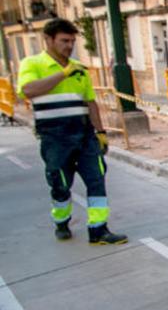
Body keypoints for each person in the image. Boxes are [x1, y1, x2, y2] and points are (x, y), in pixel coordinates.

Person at [17, 18, 127, 245]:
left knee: (96, 180)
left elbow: (90, 103)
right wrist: (64, 73)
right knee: (60, 185)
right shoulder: (33, 64)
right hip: (55, 138)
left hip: (84, 136)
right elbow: (28, 90)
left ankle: (98, 230)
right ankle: (61, 221)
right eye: (64, 41)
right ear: (48, 39)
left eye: (72, 41)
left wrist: (100, 132)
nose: (69, 46)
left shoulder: (80, 70)